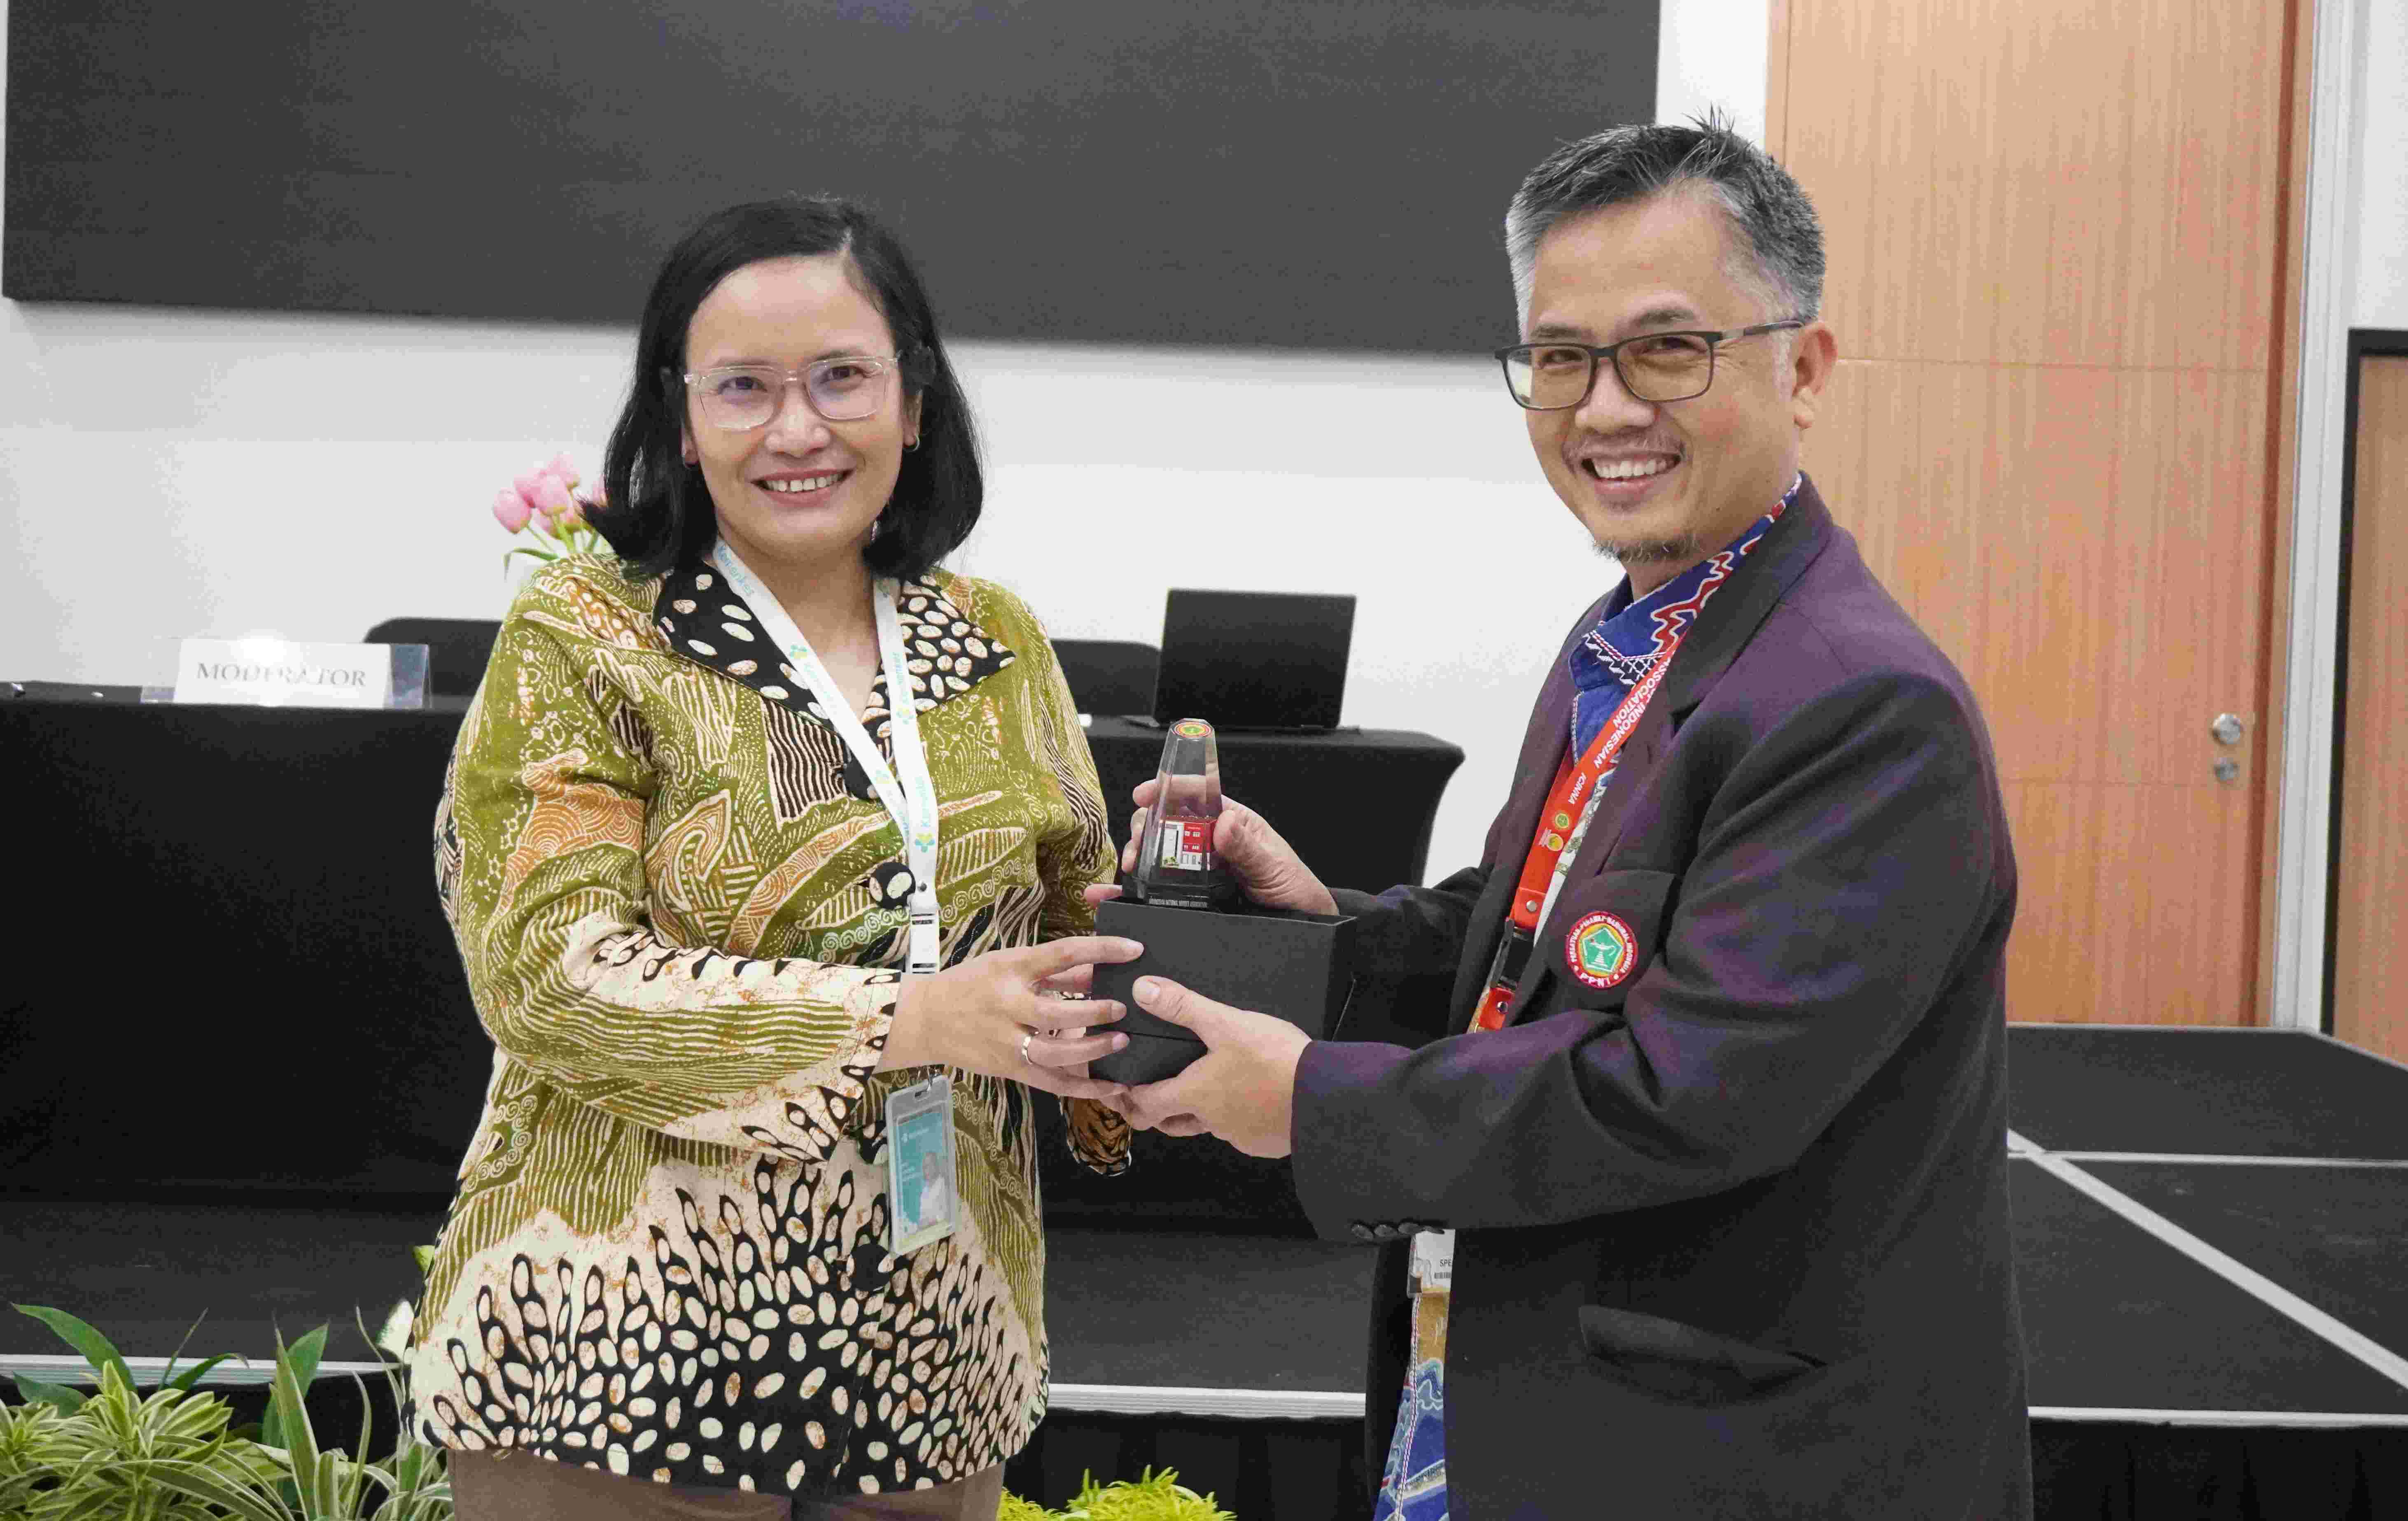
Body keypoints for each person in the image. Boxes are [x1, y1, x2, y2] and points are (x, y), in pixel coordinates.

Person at [1103, 119, 2031, 1519]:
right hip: (1522, 1393)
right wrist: (1322, 923)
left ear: (1804, 369)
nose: (1603, 410)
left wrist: (1311, 1104)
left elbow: (1685, 1095)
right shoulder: (1634, 635)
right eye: (1559, 358)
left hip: (1730, 1463)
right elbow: (1529, 940)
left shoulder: (1861, 705)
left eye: (1667, 350)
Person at [406, 197, 1143, 1520]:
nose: (798, 430)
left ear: (914, 402)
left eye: (842, 378)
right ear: (680, 421)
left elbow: (1075, 913)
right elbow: (547, 975)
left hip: (936, 1352)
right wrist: (910, 1019)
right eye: (743, 387)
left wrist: (1198, 930)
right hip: (620, 1362)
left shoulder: (995, 638)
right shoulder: (584, 633)